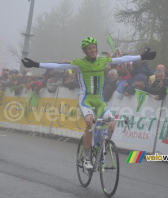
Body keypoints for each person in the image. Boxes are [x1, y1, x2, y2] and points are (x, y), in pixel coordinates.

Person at [21, 36, 156, 169]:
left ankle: (101, 147)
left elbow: (122, 59)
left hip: (99, 99)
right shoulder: (80, 63)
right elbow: (60, 65)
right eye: (89, 49)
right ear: (85, 51)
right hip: (85, 99)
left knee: (112, 125)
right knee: (90, 122)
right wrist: (36, 64)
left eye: (94, 48)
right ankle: (86, 156)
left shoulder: (102, 60)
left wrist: (141, 57)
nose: (92, 50)